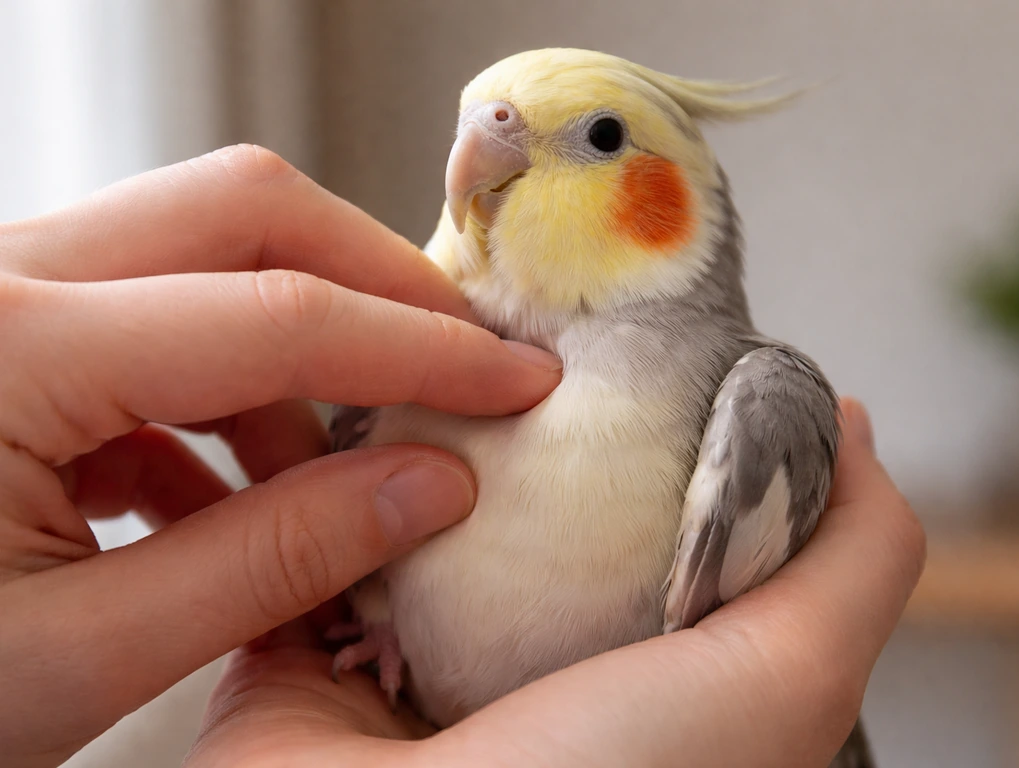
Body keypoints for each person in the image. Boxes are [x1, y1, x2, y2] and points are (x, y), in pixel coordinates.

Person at [0, 145, 926, 768]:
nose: (490, 142)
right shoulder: (390, 379)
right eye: (479, 126)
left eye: (600, 136)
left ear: (687, 209)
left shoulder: (753, 403)